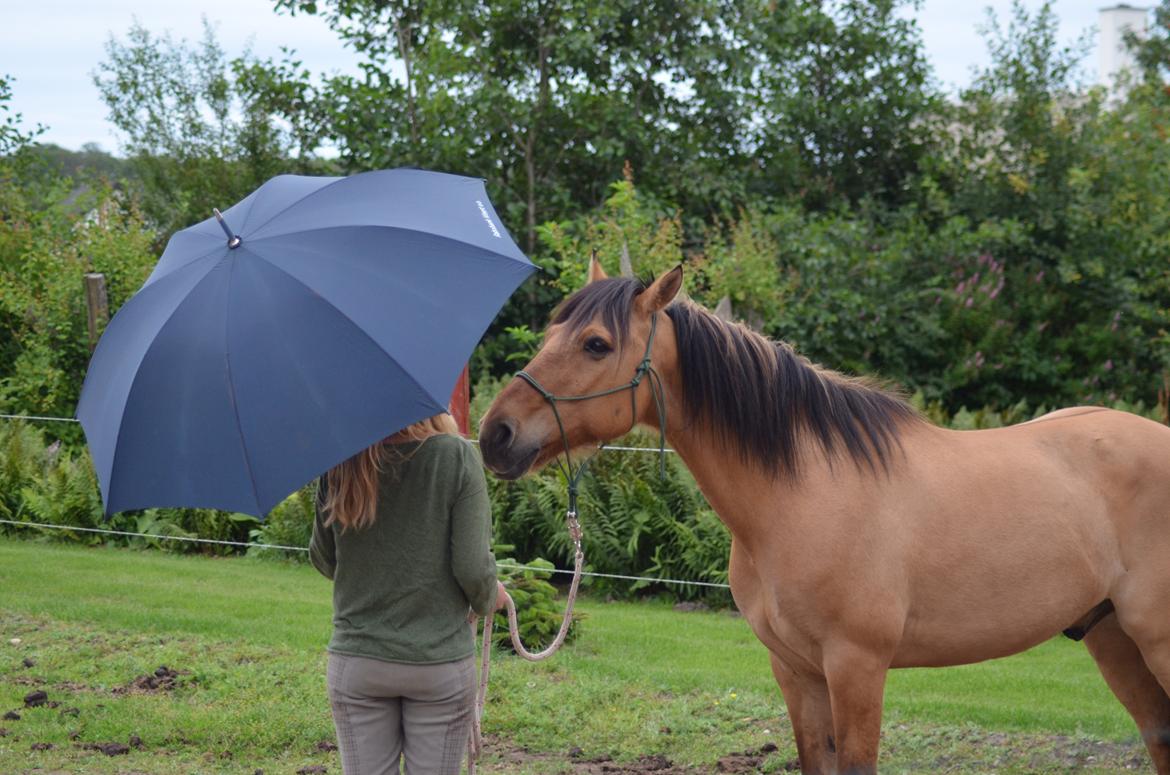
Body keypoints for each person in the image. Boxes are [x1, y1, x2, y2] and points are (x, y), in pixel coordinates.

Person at [309, 412, 507, 775]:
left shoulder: (339, 462)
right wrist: (490, 595)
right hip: (438, 665)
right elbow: (472, 567)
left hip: (358, 663)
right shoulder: (456, 456)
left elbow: (324, 560)